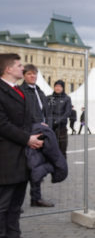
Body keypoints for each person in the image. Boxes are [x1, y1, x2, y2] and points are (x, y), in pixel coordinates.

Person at [0, 53, 43, 238]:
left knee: (17, 200)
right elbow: (2, 124)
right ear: (8, 69)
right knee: (3, 202)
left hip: (21, 154)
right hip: (6, 154)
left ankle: (13, 237)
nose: (22, 68)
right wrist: (27, 138)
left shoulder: (18, 90)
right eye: (18, 65)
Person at [19, 64, 54, 207]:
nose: (32, 76)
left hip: (42, 133)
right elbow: (22, 114)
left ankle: (36, 198)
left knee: (38, 166)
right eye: (29, 74)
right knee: (23, 168)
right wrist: (36, 127)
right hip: (28, 134)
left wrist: (48, 129)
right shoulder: (21, 92)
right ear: (24, 75)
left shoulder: (40, 92)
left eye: (34, 74)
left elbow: (48, 113)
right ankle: (16, 203)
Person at [47, 79, 72, 156]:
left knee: (62, 150)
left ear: (63, 88)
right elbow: (47, 111)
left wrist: (58, 121)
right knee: (50, 150)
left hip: (61, 128)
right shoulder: (50, 98)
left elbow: (67, 112)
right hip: (50, 127)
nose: (57, 88)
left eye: (60, 86)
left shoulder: (67, 98)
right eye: (56, 86)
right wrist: (49, 121)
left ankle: (62, 164)